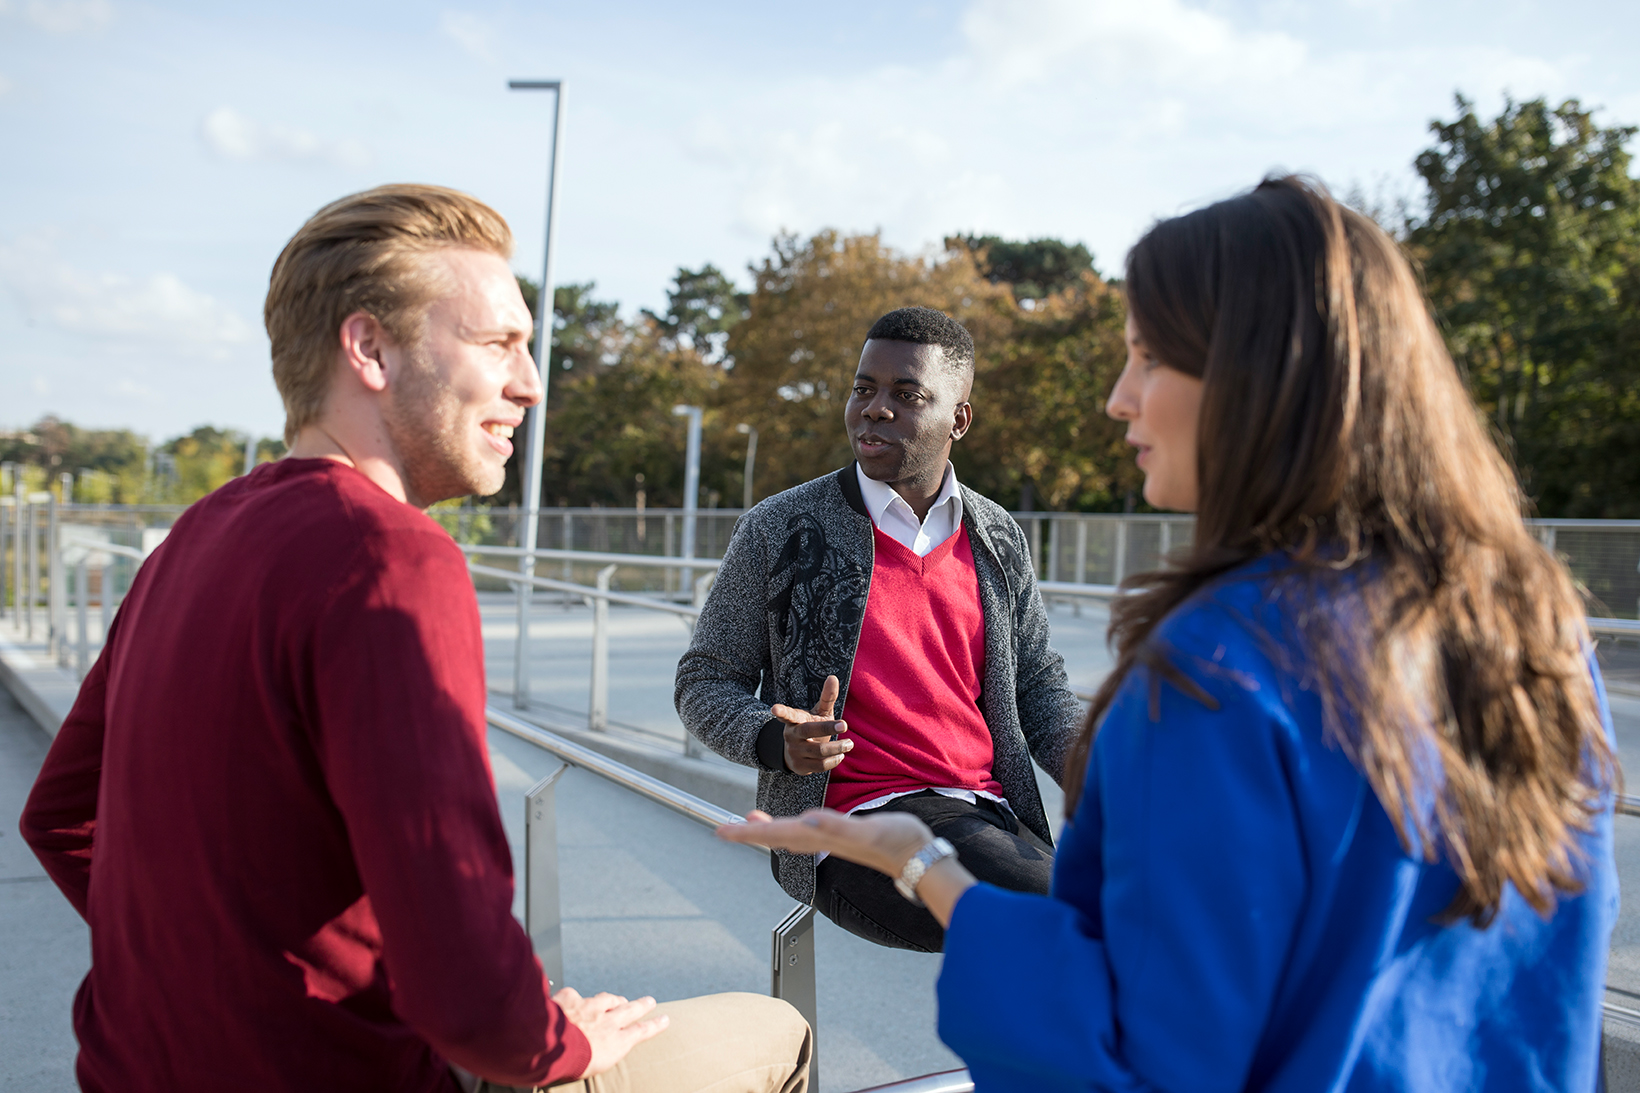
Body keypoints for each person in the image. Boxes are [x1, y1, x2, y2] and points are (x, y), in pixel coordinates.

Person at [719, 176, 1619, 1091]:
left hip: (978, 819)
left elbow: (1125, 1058)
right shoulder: (1536, 630)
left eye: (1147, 358)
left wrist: (924, 867)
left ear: (1255, 378)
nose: (1118, 398)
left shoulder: (1214, 669)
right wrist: (782, 744)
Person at [21, 184, 809, 1093]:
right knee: (775, 1029)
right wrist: (561, 1042)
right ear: (370, 348)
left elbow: (60, 815)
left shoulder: (193, 537)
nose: (532, 382)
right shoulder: (390, 557)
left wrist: (228, 976)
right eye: (496, 343)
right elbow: (471, 993)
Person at [675, 306, 1083, 953]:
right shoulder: (780, 528)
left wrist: (1102, 772)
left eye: (906, 393)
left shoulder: (997, 534)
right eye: (864, 388)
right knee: (1061, 924)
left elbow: (1037, 687)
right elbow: (704, 680)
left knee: (1127, 907)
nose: (874, 408)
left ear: (959, 418)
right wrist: (777, 740)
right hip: (851, 823)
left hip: (987, 812)